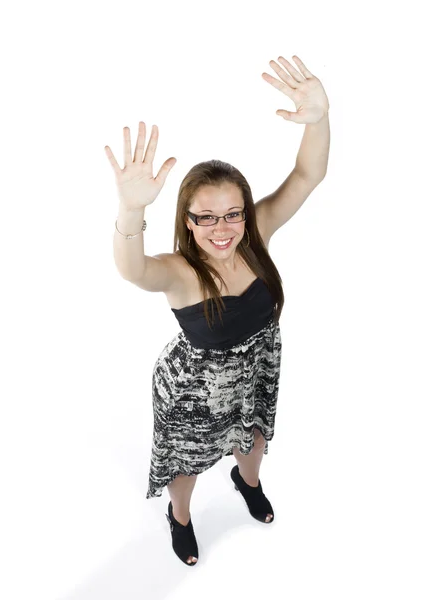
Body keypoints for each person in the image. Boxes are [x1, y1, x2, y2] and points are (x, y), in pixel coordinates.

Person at [106, 122, 284, 567]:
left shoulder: (255, 239)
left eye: (232, 214)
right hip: (191, 387)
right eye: (205, 216)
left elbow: (307, 175)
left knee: (254, 440)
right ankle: (179, 517)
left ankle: (248, 483)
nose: (220, 228)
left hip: (254, 370)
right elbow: (133, 269)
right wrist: (130, 208)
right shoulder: (180, 271)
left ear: (245, 212)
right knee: (186, 466)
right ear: (187, 220)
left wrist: (319, 118)